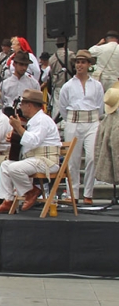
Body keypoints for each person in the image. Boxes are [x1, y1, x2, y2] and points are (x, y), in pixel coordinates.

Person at [0, 89, 62, 213]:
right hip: (35, 159)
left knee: (14, 168)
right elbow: (28, 143)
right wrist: (14, 137)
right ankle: (8, 201)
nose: (21, 107)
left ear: (29, 105)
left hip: (46, 161)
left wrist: (18, 127)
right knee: (6, 165)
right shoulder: (34, 121)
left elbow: (33, 141)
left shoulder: (42, 120)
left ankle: (31, 192)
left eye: (22, 104)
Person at [59, 50, 104, 205]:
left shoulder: (97, 85)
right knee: (73, 159)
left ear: (89, 64)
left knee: (91, 157)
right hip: (73, 121)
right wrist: (72, 121)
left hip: (92, 121)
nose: (80, 65)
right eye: (77, 62)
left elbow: (101, 107)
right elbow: (63, 108)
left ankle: (88, 193)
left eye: (83, 62)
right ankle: (73, 193)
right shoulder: (67, 86)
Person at [48, 37, 76, 119]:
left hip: (57, 85)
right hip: (69, 84)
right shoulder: (70, 55)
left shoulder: (52, 58)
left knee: (57, 106)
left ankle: (57, 124)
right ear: (65, 44)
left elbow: (51, 73)